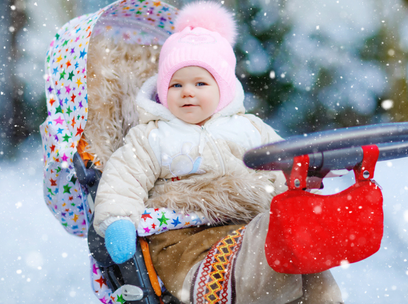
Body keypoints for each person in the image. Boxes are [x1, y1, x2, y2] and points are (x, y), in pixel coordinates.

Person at [94, 2, 343, 303]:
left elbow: (284, 161)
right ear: (163, 89)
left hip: (248, 230)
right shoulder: (152, 136)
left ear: (222, 87)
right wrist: (119, 219)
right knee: (278, 232)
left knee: (310, 264)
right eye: (176, 84)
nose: (187, 92)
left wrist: (311, 169)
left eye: (200, 82)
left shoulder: (250, 129)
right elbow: (124, 178)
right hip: (189, 249)